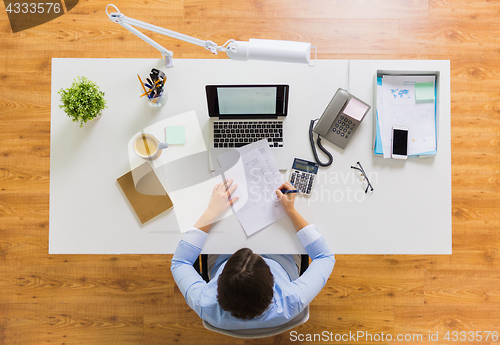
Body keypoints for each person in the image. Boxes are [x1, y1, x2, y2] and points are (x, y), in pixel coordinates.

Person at [170, 179, 335, 330]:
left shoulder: (204, 303)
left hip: (223, 256)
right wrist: (291, 210)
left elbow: (180, 262)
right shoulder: (292, 299)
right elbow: (325, 257)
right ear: (273, 284)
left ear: (218, 286)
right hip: (282, 259)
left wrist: (211, 212)